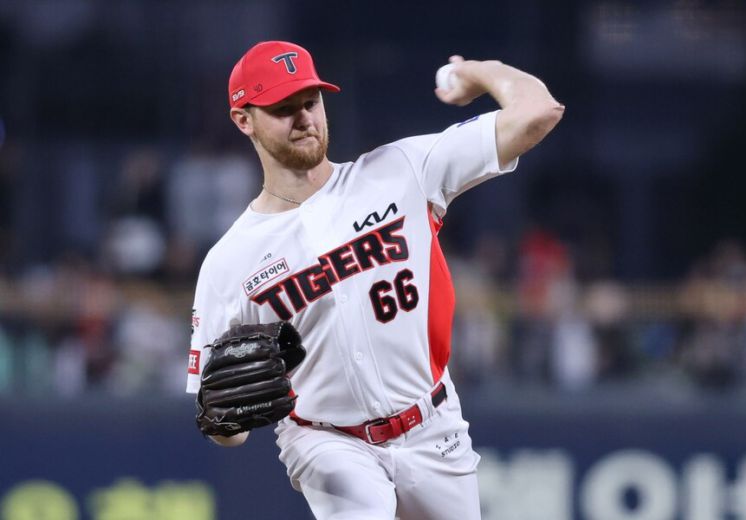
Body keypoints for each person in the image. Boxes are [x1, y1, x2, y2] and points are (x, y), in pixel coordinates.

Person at [186, 40, 563, 519]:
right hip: (326, 441)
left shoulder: (399, 172)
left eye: (310, 101)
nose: (304, 118)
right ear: (244, 120)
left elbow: (538, 113)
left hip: (432, 425)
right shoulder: (229, 262)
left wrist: (481, 70)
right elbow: (226, 422)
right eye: (283, 108)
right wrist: (225, 422)